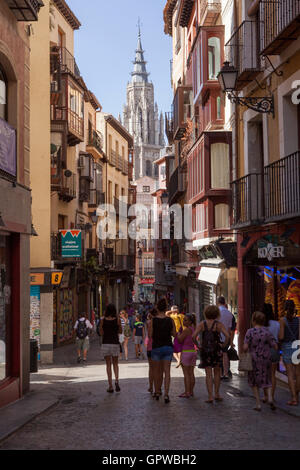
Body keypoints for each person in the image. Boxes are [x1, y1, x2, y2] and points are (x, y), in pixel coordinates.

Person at [193, 305, 230, 403]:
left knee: (208, 374)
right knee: (217, 372)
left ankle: (210, 396)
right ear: (217, 314)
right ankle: (217, 394)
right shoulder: (219, 325)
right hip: (216, 350)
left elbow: (193, 336)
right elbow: (227, 336)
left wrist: (198, 345)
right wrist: (223, 345)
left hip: (205, 350)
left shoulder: (202, 324)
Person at [244, 311, 277, 412]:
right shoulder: (267, 332)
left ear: (253, 320)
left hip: (253, 359)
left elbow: (245, 347)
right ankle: (270, 398)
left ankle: (258, 404)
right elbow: (275, 346)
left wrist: (247, 349)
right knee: (267, 378)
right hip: (266, 359)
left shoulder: (250, 332)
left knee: (254, 381)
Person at [149, 298, 176, 403]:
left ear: (157, 308)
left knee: (156, 371)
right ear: (166, 308)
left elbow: (150, 335)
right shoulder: (170, 320)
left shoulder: (153, 320)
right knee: (167, 371)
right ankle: (166, 394)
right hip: (168, 347)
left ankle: (157, 391)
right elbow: (174, 333)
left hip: (156, 347)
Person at [279, 300, 300, 406]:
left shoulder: (282, 320)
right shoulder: (298, 320)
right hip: (297, 345)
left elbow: (282, 336)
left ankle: (294, 398)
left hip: (287, 346)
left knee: (290, 374)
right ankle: (296, 393)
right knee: (298, 373)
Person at [100, 304, 122, 393]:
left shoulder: (102, 320)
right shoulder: (117, 320)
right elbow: (120, 331)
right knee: (115, 364)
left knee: (108, 365)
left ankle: (110, 386)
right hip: (115, 343)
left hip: (105, 343)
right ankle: (116, 381)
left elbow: (101, 333)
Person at [263, 303, 280, 403]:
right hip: (274, 350)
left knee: (265, 374)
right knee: (272, 375)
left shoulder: (262, 325)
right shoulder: (277, 324)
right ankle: (271, 397)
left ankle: (266, 396)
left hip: (263, 351)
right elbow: (279, 337)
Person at [177, 313, 197, 398]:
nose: (183, 321)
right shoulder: (193, 329)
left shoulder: (186, 330)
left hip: (186, 352)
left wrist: (178, 333)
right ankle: (191, 391)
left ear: (190, 322)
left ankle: (187, 392)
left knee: (186, 374)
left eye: (185, 320)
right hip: (193, 351)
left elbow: (180, 339)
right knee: (191, 373)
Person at [217, 296, 234, 380]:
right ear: (224, 303)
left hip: (218, 337)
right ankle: (226, 373)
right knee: (225, 355)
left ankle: (219, 373)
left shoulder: (216, 312)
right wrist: (230, 340)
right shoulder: (229, 314)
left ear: (218, 302)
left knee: (218, 355)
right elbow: (230, 329)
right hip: (226, 337)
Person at [146, 308, 158, 393]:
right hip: (157, 346)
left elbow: (149, 335)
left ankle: (151, 387)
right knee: (158, 369)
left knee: (151, 368)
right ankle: (158, 388)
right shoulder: (160, 322)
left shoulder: (149, 322)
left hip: (150, 347)